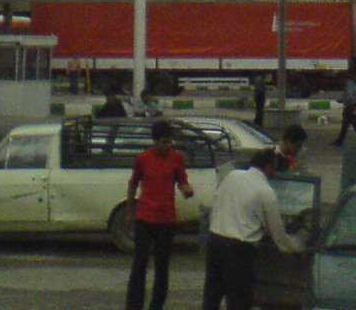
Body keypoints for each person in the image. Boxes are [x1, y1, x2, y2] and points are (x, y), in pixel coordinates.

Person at [201, 148, 303, 310]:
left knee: (211, 297)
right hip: (239, 250)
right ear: (269, 167)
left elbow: (217, 203)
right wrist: (296, 248)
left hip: (214, 241)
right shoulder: (266, 192)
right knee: (239, 300)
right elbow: (278, 234)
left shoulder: (232, 176)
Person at [125, 120, 195, 310]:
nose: (168, 146)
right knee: (139, 265)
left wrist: (187, 189)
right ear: (155, 141)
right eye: (164, 142)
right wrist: (130, 212)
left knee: (162, 267)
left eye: (170, 142)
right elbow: (133, 184)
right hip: (145, 218)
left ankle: (157, 306)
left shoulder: (176, 158)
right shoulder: (142, 158)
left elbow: (182, 182)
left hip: (166, 220)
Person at [331, 76, 356, 146]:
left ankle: (340, 141)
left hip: (350, 107)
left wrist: (343, 102)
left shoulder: (348, 84)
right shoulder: (351, 83)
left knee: (348, 125)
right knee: (352, 124)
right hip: (352, 106)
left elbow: (348, 96)